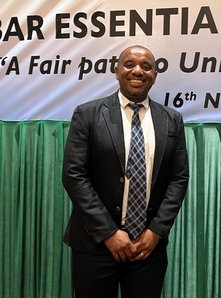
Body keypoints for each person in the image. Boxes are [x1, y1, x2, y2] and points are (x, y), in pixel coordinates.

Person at [62, 45, 189, 298]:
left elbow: (178, 179)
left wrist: (156, 232)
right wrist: (109, 233)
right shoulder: (87, 115)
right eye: (129, 64)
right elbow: (74, 175)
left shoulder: (171, 120)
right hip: (95, 245)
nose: (137, 71)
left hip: (147, 249)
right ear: (117, 70)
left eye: (146, 66)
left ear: (154, 74)